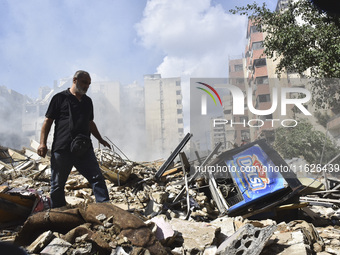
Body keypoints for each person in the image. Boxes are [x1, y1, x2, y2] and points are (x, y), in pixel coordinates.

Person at [37, 70, 111, 208]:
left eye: (88, 84)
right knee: (57, 185)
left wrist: (100, 139)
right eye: (84, 82)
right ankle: (59, 212)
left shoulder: (88, 102)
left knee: (97, 178)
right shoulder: (59, 98)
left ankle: (105, 208)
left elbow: (90, 123)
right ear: (74, 80)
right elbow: (48, 121)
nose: (86, 86)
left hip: (84, 148)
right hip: (62, 148)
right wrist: (42, 143)